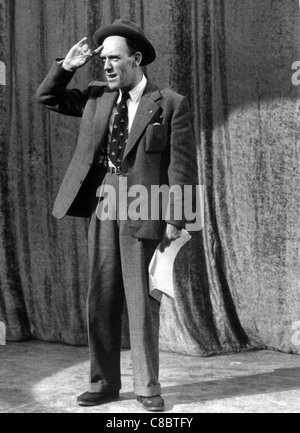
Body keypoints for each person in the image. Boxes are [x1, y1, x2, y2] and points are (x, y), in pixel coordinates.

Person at [36, 19, 198, 412]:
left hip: (146, 201)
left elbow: (182, 166)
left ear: (136, 59)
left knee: (142, 302)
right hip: (103, 198)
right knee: (102, 296)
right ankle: (103, 383)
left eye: (115, 58)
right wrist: (67, 67)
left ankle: (146, 387)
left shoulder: (170, 102)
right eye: (103, 58)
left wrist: (176, 219)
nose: (106, 65)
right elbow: (47, 97)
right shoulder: (95, 96)